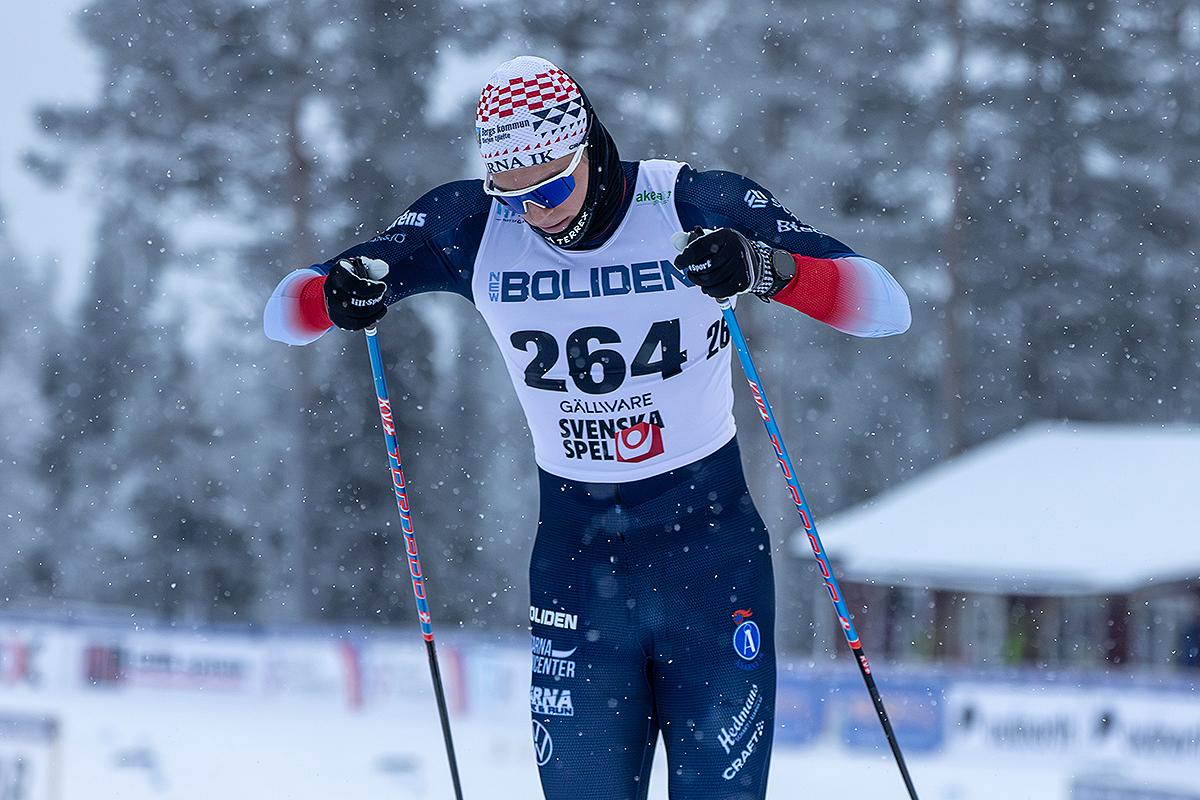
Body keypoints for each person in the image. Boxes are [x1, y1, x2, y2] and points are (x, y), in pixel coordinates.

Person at [265, 55, 910, 800]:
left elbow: (885, 304)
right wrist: (334, 295)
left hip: (710, 550)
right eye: (513, 196)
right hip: (578, 562)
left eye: (552, 186)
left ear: (590, 146)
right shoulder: (470, 227)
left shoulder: (692, 202)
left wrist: (768, 268)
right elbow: (288, 312)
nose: (539, 211)